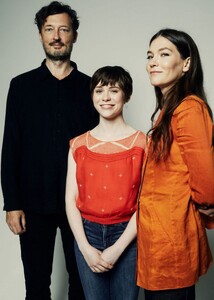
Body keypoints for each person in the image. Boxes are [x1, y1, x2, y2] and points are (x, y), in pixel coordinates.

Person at [1, 1, 99, 299]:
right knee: (36, 285)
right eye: (49, 29)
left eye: (64, 29)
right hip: (32, 203)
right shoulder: (21, 86)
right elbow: (11, 147)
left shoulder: (92, 87)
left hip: (82, 204)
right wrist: (12, 203)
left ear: (74, 36)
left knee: (82, 284)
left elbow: (100, 148)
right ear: (40, 35)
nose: (57, 36)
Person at [137, 28, 214, 300]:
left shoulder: (190, 108)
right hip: (158, 240)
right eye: (150, 55)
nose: (153, 62)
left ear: (186, 63)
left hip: (172, 240)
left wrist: (206, 210)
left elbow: (205, 181)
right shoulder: (168, 111)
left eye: (164, 54)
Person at [65, 66, 146, 300]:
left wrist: (118, 248)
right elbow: (70, 199)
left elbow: (146, 202)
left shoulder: (143, 144)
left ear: (126, 95)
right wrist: (84, 247)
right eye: (99, 91)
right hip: (86, 233)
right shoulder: (78, 144)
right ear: (92, 96)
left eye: (114, 90)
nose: (106, 98)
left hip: (128, 235)